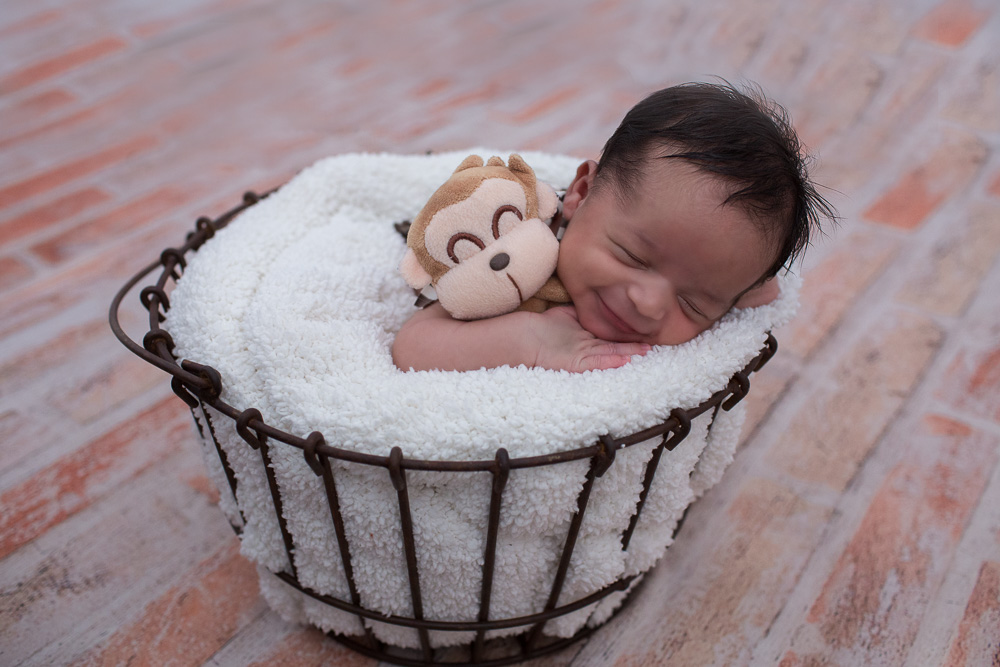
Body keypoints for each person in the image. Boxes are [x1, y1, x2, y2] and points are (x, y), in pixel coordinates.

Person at [392, 82, 835, 373]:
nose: (648, 303)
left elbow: (759, 287)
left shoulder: (686, 255)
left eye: (692, 303)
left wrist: (727, 281)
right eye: (633, 257)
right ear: (581, 193)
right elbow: (413, 344)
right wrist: (528, 342)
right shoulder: (524, 257)